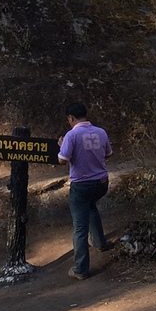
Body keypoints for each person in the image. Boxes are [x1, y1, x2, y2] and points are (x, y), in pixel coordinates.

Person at [57, 101, 112, 280]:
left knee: (79, 227)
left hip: (81, 185)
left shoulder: (71, 135)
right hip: (102, 183)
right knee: (91, 207)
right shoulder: (101, 132)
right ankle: (99, 242)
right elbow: (108, 154)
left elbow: (62, 160)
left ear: (71, 118)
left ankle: (80, 269)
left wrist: (62, 145)